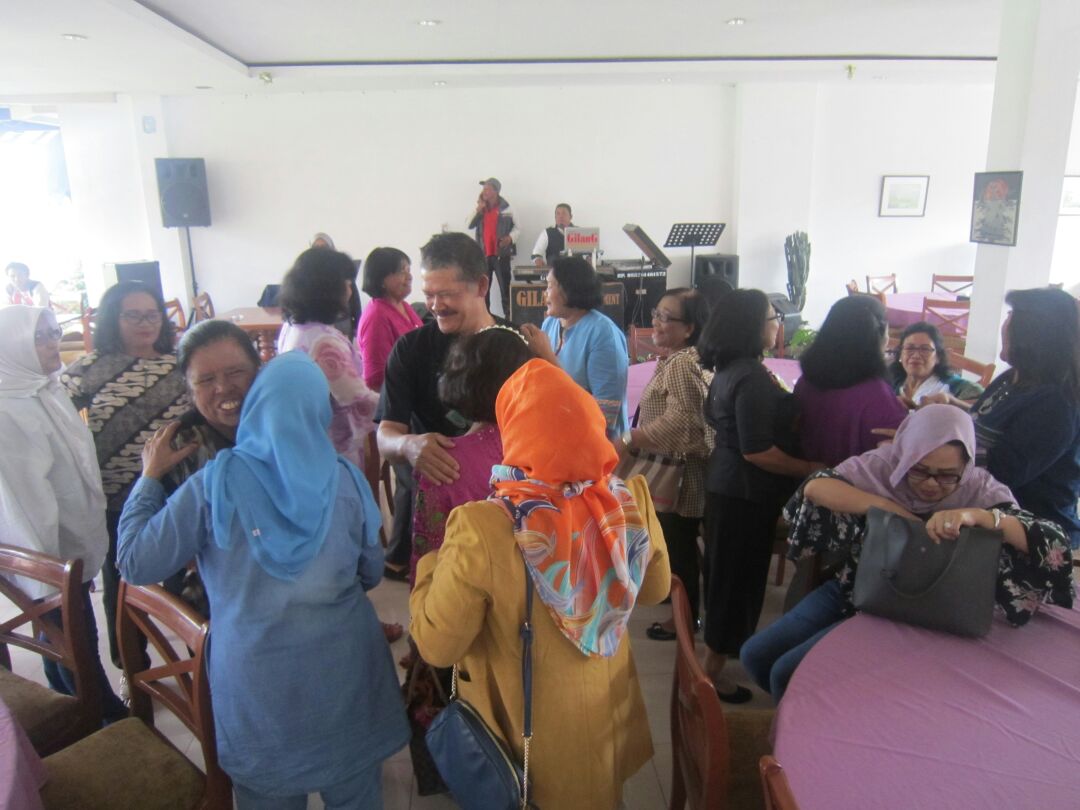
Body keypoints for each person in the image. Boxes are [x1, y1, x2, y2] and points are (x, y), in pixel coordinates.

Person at [118, 352, 409, 808]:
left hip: (257, 685)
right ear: (319, 412)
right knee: (355, 792)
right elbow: (370, 573)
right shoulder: (346, 480)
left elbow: (135, 562)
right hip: (345, 674)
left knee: (268, 793)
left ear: (256, 405)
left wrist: (150, 479)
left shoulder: (213, 485)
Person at [410, 358, 671, 810]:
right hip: (607, 716)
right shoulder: (626, 498)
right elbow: (654, 591)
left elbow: (437, 645)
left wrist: (431, 565)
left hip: (525, 735)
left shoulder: (485, 526)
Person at [740, 404, 1075, 701]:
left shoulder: (980, 488)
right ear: (904, 454)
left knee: (786, 673)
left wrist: (978, 516)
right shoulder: (881, 467)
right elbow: (816, 486)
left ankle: (809, 720)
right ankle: (808, 709)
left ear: (967, 465)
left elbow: (1051, 542)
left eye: (948, 476)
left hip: (919, 607)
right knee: (755, 656)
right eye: (919, 469)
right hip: (858, 584)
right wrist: (888, 508)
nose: (931, 484)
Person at [0, 306, 126, 721]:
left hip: (71, 545)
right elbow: (25, 507)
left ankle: (74, 709)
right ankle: (103, 720)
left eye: (54, 332)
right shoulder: (7, 411)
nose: (53, 343)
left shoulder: (45, 389)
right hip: (50, 559)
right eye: (38, 337)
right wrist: (52, 579)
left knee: (68, 642)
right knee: (74, 643)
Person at [697, 288, 822, 703]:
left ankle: (718, 657)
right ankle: (708, 676)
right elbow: (757, 451)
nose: (777, 325)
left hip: (729, 486)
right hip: (742, 492)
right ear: (751, 326)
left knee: (728, 577)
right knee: (733, 583)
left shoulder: (730, 369)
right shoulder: (749, 376)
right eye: (772, 317)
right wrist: (812, 468)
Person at [61, 280, 189, 672]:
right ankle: (131, 670)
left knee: (186, 583)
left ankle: (199, 664)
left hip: (178, 491)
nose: (145, 323)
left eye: (152, 315)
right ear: (112, 320)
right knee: (122, 584)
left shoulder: (180, 363)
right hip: (117, 495)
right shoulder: (89, 367)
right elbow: (54, 417)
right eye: (133, 315)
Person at [376, 232, 510, 578]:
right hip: (439, 502)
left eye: (447, 294)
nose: (436, 306)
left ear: (481, 286)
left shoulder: (516, 344)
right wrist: (408, 445)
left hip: (509, 509)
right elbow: (386, 434)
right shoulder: (411, 350)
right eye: (429, 295)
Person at [410, 325, 533, 585]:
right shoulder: (544, 448)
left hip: (465, 592)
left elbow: (429, 551)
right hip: (535, 593)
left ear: (461, 379)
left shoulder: (440, 461)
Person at [624, 288, 714, 640]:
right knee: (680, 546)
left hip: (680, 477)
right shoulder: (684, 357)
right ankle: (681, 609)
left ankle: (684, 621)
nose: (656, 323)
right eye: (656, 314)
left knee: (679, 550)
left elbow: (683, 423)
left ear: (689, 328)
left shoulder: (680, 364)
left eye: (666, 317)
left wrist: (630, 439)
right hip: (683, 472)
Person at [970, 287, 1080, 549]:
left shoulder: (1055, 403)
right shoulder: (1013, 378)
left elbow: (1002, 472)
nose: (1005, 325)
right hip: (990, 516)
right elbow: (978, 424)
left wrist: (943, 452)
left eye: (1011, 315)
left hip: (1032, 534)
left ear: (1032, 332)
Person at [277, 247, 380, 470]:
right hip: (330, 448)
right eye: (347, 283)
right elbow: (357, 399)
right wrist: (399, 409)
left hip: (303, 438)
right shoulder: (324, 342)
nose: (350, 290)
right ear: (330, 289)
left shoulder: (292, 326)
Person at [523, 256, 629, 439]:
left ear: (569, 289)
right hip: (557, 433)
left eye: (549, 286)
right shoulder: (550, 323)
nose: (545, 293)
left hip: (595, 443)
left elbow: (604, 416)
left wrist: (548, 357)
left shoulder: (603, 334)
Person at [795, 294, 908, 467]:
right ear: (878, 336)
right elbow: (900, 458)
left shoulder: (806, 381)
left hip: (806, 478)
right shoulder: (877, 395)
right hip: (852, 481)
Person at [355, 246, 423, 392]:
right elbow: (375, 379)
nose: (409, 276)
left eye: (409, 270)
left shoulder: (404, 305)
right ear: (381, 279)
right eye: (402, 271)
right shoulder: (376, 316)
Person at [889, 321, 983, 408]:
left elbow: (982, 408)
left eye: (925, 349)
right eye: (910, 348)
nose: (916, 355)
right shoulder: (892, 383)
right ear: (900, 354)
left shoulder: (953, 386)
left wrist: (954, 402)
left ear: (938, 357)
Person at [467, 177, 519, 317]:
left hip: (501, 255)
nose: (484, 191)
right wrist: (478, 210)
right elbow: (469, 225)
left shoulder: (507, 208)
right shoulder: (480, 208)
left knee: (505, 291)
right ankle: (485, 320)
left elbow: (518, 228)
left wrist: (510, 238)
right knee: (483, 291)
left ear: (496, 191)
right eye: (484, 188)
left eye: (487, 188)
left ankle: (509, 319)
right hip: (483, 256)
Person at [531, 202, 574, 267]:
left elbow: (588, 253)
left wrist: (588, 258)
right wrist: (538, 260)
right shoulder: (547, 233)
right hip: (554, 270)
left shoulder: (579, 232)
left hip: (576, 270)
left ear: (570, 217)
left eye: (564, 213)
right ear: (555, 217)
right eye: (558, 214)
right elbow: (536, 254)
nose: (560, 216)